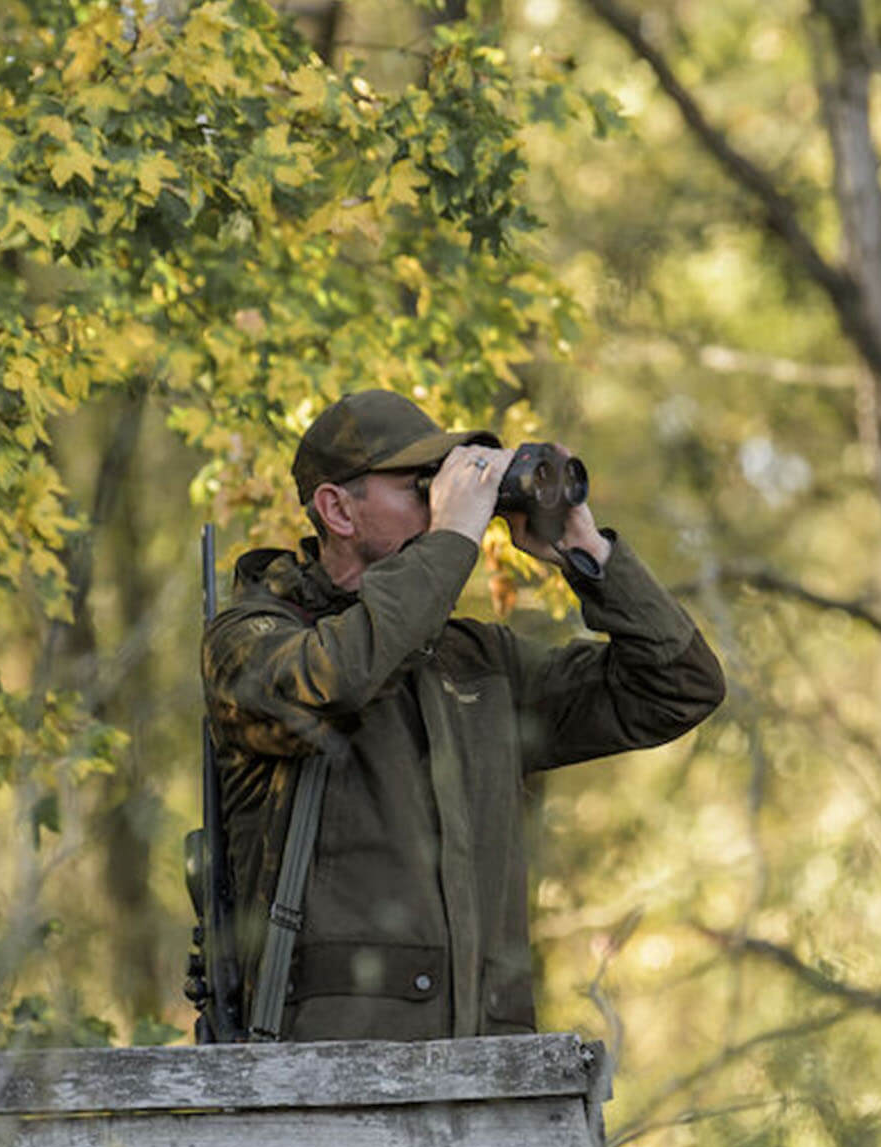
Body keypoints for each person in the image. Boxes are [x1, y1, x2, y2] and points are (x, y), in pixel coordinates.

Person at [202, 389, 725, 1042]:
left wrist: (586, 554)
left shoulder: (474, 663)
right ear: (336, 508)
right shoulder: (251, 640)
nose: (444, 502)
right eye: (422, 484)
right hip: (327, 1077)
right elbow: (335, 680)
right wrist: (451, 539)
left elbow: (677, 687)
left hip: (488, 1069)